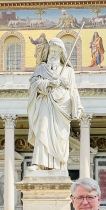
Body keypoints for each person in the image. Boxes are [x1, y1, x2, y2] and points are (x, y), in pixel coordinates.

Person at [27, 39, 83, 170]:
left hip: (62, 106)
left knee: (60, 138)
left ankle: (58, 166)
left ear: (61, 54)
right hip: (46, 103)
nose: (53, 54)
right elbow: (33, 85)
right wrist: (50, 83)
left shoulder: (68, 71)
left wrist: (78, 106)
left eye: (56, 52)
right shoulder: (42, 68)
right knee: (42, 129)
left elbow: (73, 90)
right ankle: (38, 163)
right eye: (51, 51)